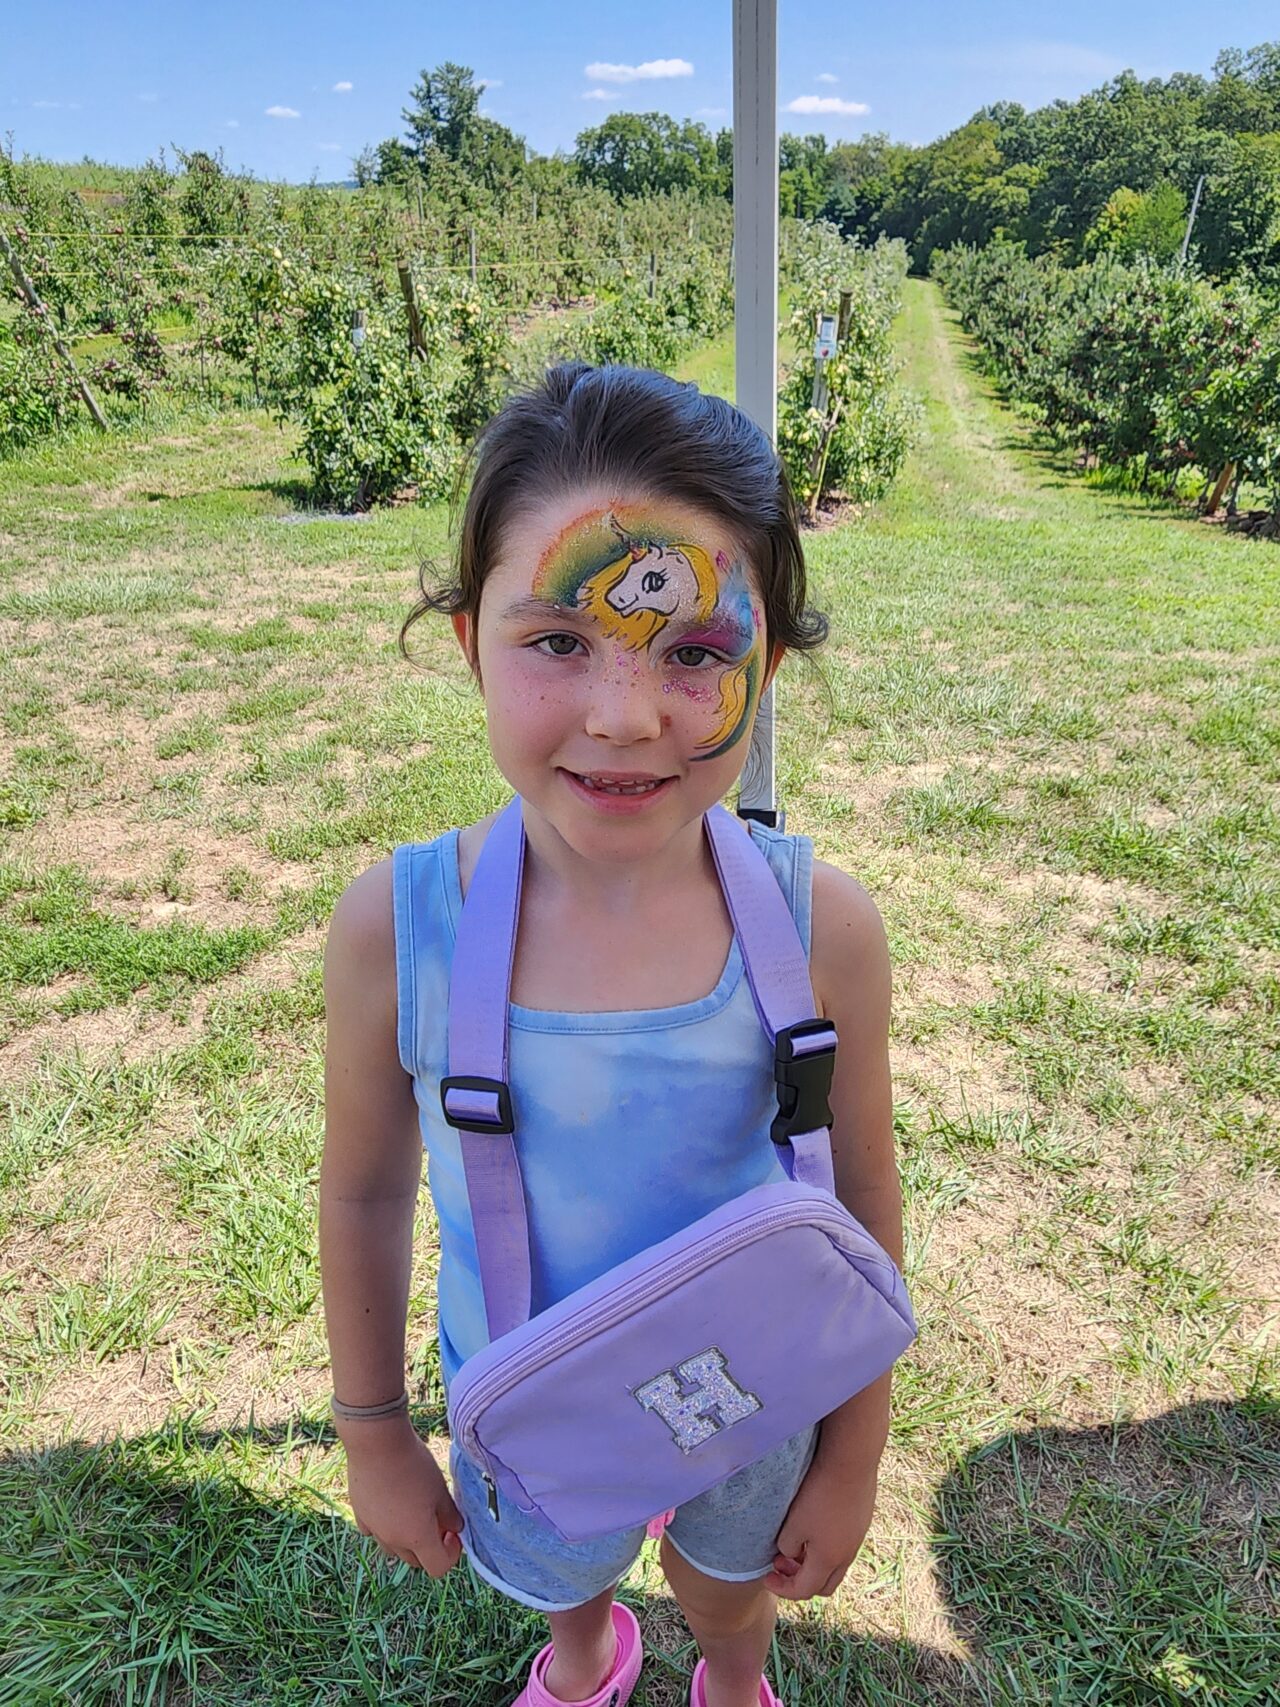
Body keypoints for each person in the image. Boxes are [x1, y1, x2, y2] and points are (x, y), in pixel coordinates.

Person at [319, 363, 904, 1707]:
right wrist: (372, 1432)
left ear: (770, 659)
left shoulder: (827, 933)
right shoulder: (395, 931)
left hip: (757, 1392)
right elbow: (360, 1194)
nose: (627, 716)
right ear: (469, 641)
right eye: (557, 642)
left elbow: (862, 1198)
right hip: (532, 1408)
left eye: (697, 652)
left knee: (729, 1581)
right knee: (562, 1574)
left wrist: (854, 1450)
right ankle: (585, 1660)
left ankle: (732, 1672)